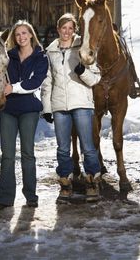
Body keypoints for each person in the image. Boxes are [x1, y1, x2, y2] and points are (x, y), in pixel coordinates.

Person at [41, 13, 101, 203]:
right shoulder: (50, 52)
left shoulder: (82, 48)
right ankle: (65, 184)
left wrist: (83, 72)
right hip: (60, 106)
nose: (66, 32)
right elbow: (47, 82)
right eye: (63, 28)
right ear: (58, 30)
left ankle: (92, 182)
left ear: (74, 30)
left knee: (88, 147)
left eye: (70, 28)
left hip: (82, 104)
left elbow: (95, 79)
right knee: (62, 148)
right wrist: (47, 108)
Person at [0, 20, 49, 211]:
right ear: (14, 38)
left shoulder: (41, 57)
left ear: (31, 35)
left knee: (27, 153)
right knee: (7, 155)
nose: (21, 37)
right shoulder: (8, 57)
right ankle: (4, 197)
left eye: (24, 33)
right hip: (8, 109)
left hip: (29, 109)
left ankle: (31, 196)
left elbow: (35, 82)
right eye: (17, 34)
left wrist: (13, 87)